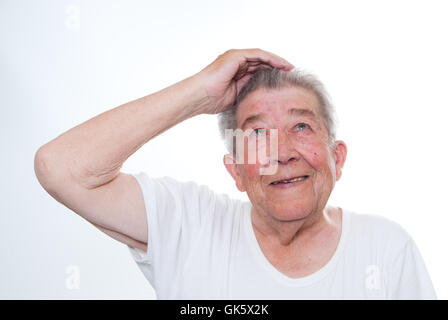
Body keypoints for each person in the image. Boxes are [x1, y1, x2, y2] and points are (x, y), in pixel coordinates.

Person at [34, 49, 436, 299]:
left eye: (301, 127)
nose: (282, 153)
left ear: (338, 158)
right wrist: (200, 93)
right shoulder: (189, 226)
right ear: (236, 172)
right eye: (258, 134)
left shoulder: (386, 248)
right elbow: (62, 168)